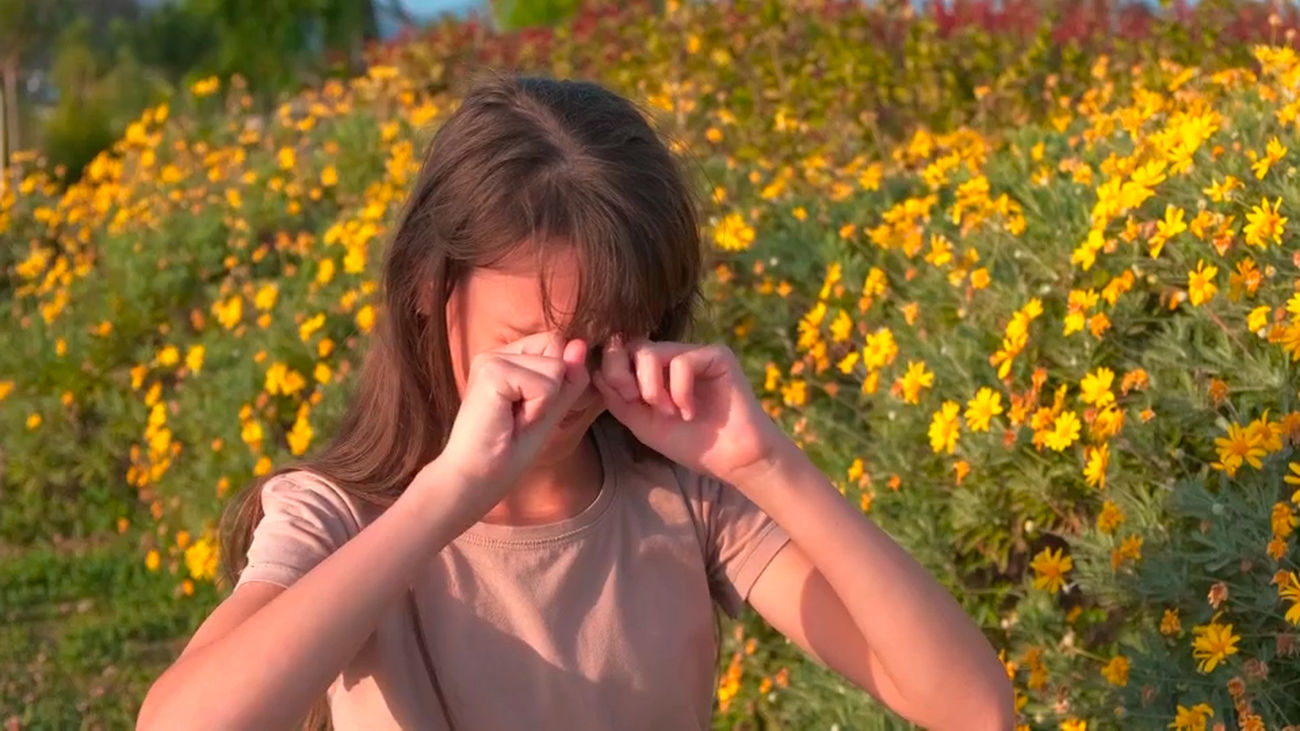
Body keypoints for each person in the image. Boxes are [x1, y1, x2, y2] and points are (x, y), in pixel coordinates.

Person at [137, 73, 1013, 731]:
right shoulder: (341, 517)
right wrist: (446, 495)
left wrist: (765, 463)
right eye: (526, 344)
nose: (561, 384)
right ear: (430, 293)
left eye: (599, 343)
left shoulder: (683, 498)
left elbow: (973, 708)